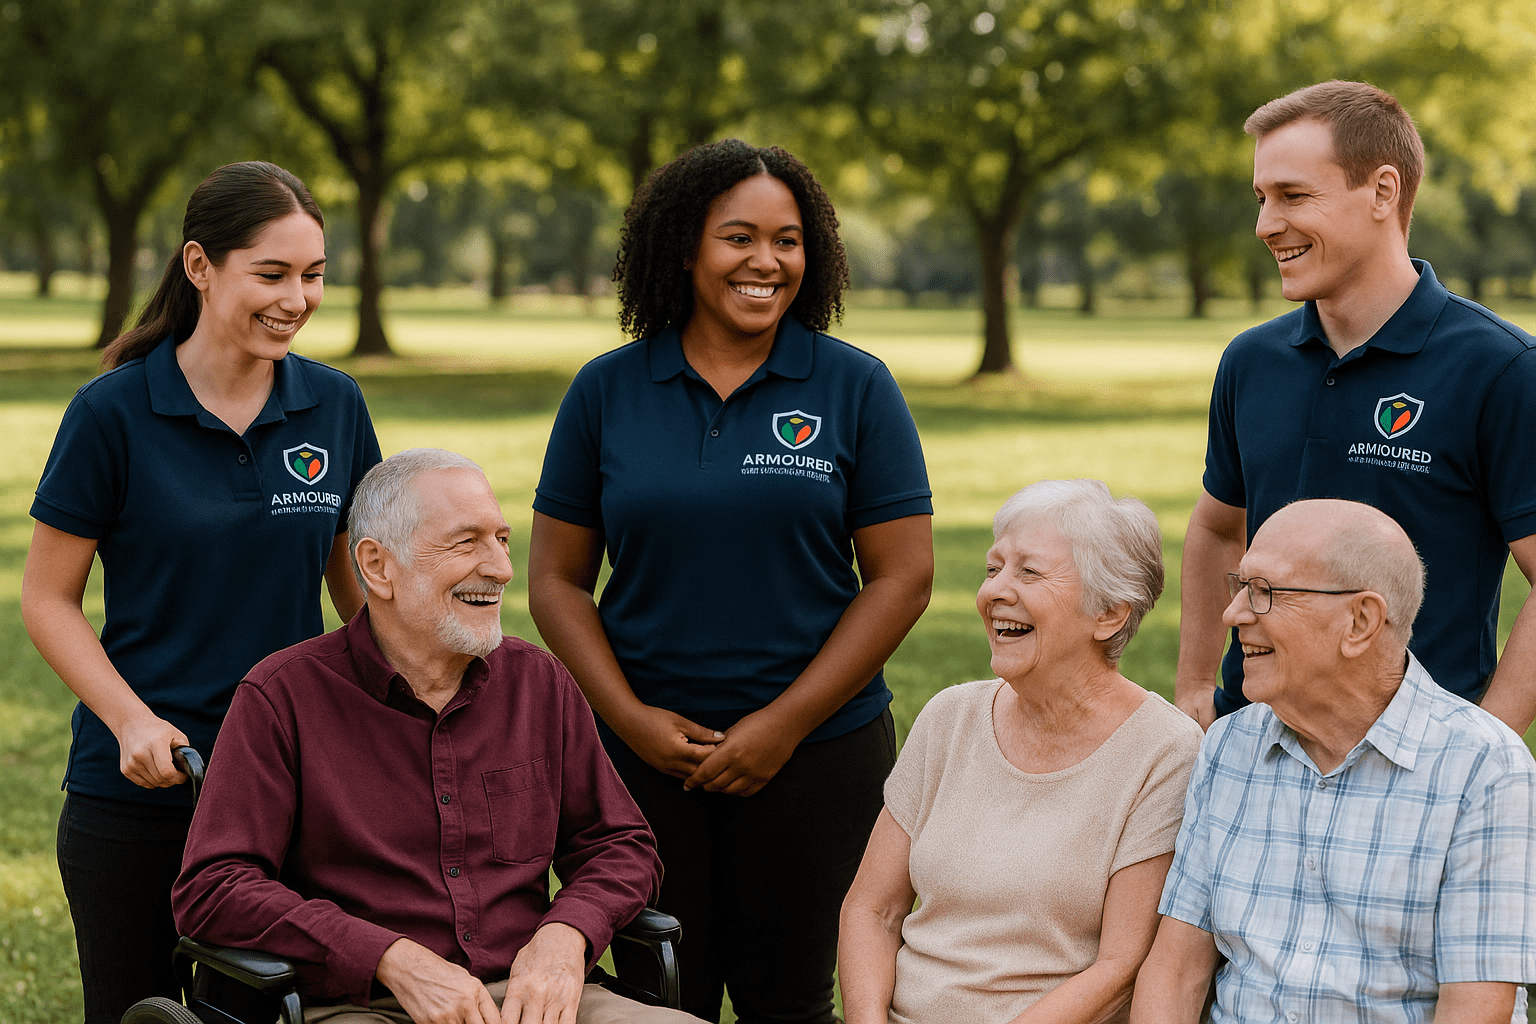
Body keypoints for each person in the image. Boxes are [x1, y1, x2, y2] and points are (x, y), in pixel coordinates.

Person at [527, 139, 934, 1024]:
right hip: (636, 763)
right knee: (652, 998)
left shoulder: (854, 386)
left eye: (787, 241)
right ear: (685, 248)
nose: (766, 262)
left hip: (818, 756)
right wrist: (630, 721)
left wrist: (782, 725)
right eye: (738, 238)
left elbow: (901, 580)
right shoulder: (607, 391)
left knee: (790, 998)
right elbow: (556, 582)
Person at [20, 161, 381, 1024]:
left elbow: (364, 593)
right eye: (273, 273)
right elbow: (47, 598)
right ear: (199, 266)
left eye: (314, 275)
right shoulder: (111, 413)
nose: (297, 298)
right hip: (139, 796)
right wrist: (130, 720)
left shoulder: (334, 405)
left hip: (293, 788)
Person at [173, 449, 698, 1024]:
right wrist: (388, 957)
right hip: (361, 1005)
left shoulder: (539, 683)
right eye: (466, 542)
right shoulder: (283, 697)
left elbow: (619, 845)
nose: (500, 567)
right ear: (377, 566)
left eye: (500, 539)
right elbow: (215, 887)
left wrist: (566, 935)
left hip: (533, 996)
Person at [1174, 80, 1536, 735]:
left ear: (1383, 191)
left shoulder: (1502, 367)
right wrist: (1196, 687)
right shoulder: (1250, 361)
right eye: (1260, 198)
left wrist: (1488, 743)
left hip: (1413, 762)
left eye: (1293, 196)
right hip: (1248, 748)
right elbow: (1217, 526)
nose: (1265, 225)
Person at [1134, 499, 1536, 1024]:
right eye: (1241, 586)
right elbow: (1175, 969)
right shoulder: (1230, 744)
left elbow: (1474, 1010)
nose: (1232, 614)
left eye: (1265, 593)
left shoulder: (1482, 769)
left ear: (1360, 621)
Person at [839, 479, 1202, 1024]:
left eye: (1028, 573)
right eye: (993, 569)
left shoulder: (1164, 751)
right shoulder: (950, 717)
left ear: (1109, 614)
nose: (993, 593)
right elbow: (873, 909)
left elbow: (1119, 968)